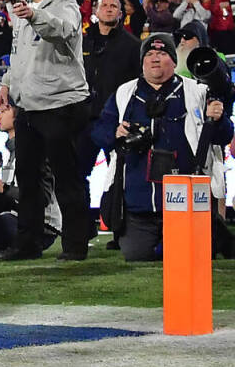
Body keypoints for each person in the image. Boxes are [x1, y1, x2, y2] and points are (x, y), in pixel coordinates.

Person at [92, 35, 232, 260]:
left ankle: (207, 235)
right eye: (149, 54)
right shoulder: (124, 93)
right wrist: (115, 133)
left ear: (174, 62)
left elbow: (225, 135)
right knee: (137, 255)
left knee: (187, 254)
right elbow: (99, 132)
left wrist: (218, 118)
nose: (154, 58)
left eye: (162, 53)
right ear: (142, 62)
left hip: (185, 199)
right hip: (139, 203)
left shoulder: (196, 91)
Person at [0, 0, 92, 261]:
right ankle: (28, 244)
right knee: (28, 178)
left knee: (67, 176)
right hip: (29, 106)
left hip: (60, 105)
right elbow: (19, 53)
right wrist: (7, 82)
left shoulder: (64, 5)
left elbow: (65, 31)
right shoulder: (22, 10)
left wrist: (35, 16)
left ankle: (76, 245)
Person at [0, 106, 60, 257]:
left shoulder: (35, 151)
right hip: (16, 219)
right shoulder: (12, 155)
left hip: (41, 227)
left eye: (3, 111)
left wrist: (4, 189)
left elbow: (43, 198)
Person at [82, 0, 140, 195]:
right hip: (84, 119)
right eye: (104, 5)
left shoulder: (133, 46)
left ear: (121, 13)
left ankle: (120, 224)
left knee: (120, 176)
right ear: (96, 11)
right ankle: (81, 225)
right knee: (77, 177)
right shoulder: (83, 41)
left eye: (113, 6)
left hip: (117, 121)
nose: (108, 9)